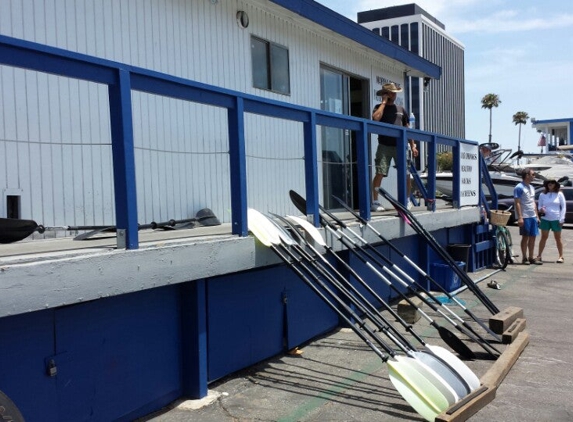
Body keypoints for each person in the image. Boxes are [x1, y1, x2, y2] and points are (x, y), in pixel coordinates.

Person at [370, 82, 418, 212]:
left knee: (406, 173)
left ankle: (407, 200)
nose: (393, 95)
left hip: (400, 146)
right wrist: (384, 103)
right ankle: (375, 202)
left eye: (394, 93)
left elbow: (407, 129)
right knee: (380, 172)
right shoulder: (378, 107)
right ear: (385, 94)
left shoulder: (401, 110)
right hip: (384, 145)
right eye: (391, 93)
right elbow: (375, 119)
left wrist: (413, 145)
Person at [513, 168, 542, 265]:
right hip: (525, 215)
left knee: (533, 237)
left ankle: (531, 257)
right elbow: (517, 203)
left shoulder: (532, 187)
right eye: (533, 174)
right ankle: (524, 257)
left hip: (532, 215)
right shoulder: (519, 187)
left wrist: (537, 216)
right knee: (525, 237)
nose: (534, 176)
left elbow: (533, 202)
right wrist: (520, 217)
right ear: (527, 175)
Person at [535, 178, 566, 263]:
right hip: (545, 219)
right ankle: (539, 255)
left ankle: (561, 256)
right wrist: (541, 209)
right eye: (548, 182)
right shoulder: (542, 194)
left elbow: (563, 207)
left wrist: (562, 218)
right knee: (543, 237)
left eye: (552, 183)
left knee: (558, 238)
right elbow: (539, 206)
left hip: (556, 218)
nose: (550, 184)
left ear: (555, 184)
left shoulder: (559, 194)